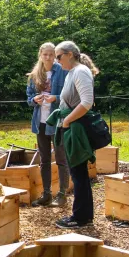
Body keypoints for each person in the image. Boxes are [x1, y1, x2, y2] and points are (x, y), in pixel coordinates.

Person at [52, 41, 98, 229]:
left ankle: (80, 217)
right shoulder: (73, 72)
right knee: (78, 173)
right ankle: (83, 215)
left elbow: (87, 102)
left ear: (70, 54)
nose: (57, 61)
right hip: (72, 126)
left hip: (77, 128)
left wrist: (68, 120)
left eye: (59, 57)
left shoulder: (80, 72)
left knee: (78, 174)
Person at [26, 42, 70, 207]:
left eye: (52, 54)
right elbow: (29, 97)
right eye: (45, 54)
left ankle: (62, 194)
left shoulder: (63, 71)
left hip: (57, 121)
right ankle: (46, 194)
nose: (49, 57)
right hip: (40, 122)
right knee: (44, 159)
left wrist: (56, 98)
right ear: (40, 55)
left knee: (61, 158)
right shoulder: (35, 74)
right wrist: (34, 100)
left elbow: (69, 94)